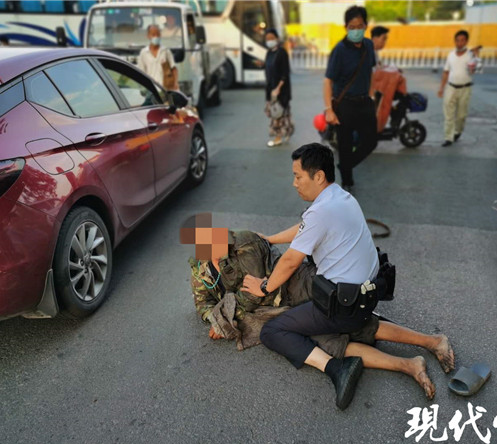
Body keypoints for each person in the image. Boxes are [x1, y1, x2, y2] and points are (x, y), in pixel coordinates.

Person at [240, 143, 455, 410]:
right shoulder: (340, 197)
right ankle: (430, 344)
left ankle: (335, 367)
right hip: (367, 292)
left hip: (343, 304)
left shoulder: (320, 211)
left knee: (274, 331)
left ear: (319, 176)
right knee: (356, 322)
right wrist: (270, 239)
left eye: (298, 176)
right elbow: (305, 228)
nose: (294, 183)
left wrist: (264, 286)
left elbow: (290, 261)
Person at [184, 218, 454, 403]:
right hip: (276, 312)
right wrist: (214, 318)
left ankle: (431, 341)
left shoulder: (243, 242)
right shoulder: (200, 268)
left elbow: (253, 295)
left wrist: (227, 316)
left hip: (296, 284)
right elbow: (202, 304)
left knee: (350, 320)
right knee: (330, 344)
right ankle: (409, 365)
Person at [323, 6, 378, 192]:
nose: (356, 30)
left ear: (366, 25)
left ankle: (345, 166)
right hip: (345, 104)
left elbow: (370, 71)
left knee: (371, 142)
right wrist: (329, 110)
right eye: (351, 27)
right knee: (345, 145)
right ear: (345, 27)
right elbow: (328, 81)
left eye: (359, 26)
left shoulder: (369, 45)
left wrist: (371, 96)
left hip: (365, 102)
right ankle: (347, 181)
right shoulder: (339, 50)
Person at [437, 30, 481, 147]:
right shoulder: (451, 55)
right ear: (455, 41)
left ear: (466, 41)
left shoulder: (470, 55)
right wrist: (441, 88)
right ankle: (448, 137)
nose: (459, 43)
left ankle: (457, 131)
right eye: (457, 40)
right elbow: (446, 72)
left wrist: (476, 56)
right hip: (451, 87)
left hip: (465, 88)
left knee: (461, 115)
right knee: (448, 114)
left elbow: (474, 71)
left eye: (462, 40)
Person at [263, 28, 294, 148]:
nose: (269, 40)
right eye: (267, 38)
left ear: (277, 38)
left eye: (271, 38)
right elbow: (268, 69)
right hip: (270, 88)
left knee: (277, 114)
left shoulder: (282, 53)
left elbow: (285, 73)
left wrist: (278, 88)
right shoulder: (269, 53)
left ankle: (278, 138)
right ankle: (287, 130)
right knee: (277, 113)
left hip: (281, 90)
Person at [137, 25, 179, 91]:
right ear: (148, 36)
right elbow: (141, 73)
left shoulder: (165, 51)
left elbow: (173, 68)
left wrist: (175, 83)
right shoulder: (144, 53)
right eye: (153, 34)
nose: (156, 37)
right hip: (151, 90)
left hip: (165, 89)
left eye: (158, 34)